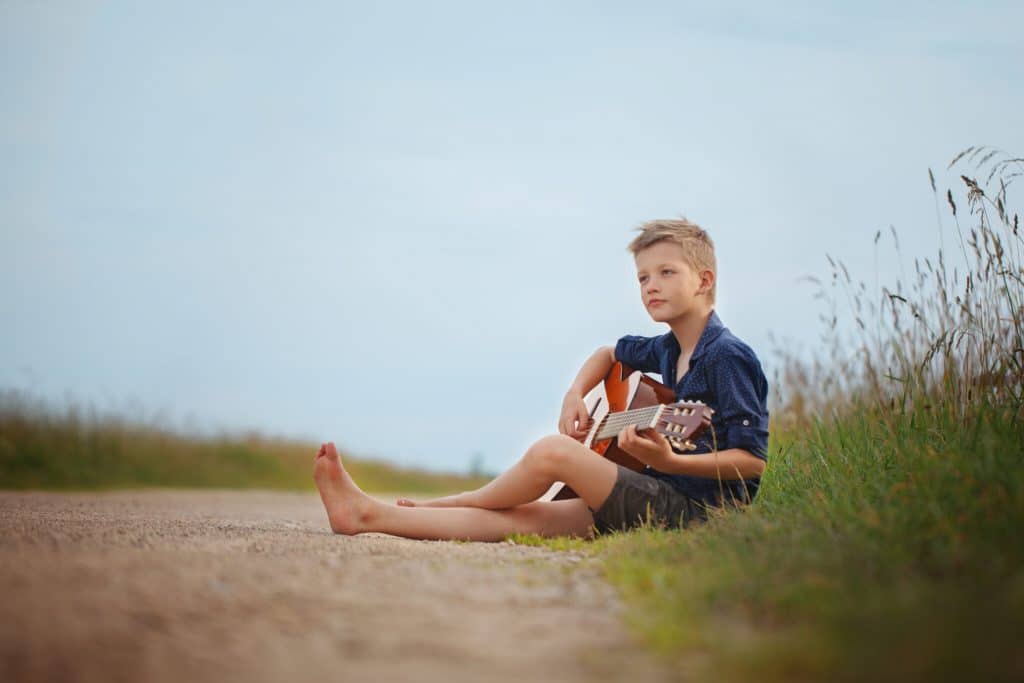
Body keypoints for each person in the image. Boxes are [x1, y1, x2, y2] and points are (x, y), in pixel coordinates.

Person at [313, 218, 769, 540]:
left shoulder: (727, 356)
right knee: (524, 519)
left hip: (698, 513)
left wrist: (672, 463)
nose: (650, 285)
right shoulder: (667, 347)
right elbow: (608, 353)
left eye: (667, 273)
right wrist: (575, 393)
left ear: (704, 280)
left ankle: (456, 500)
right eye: (643, 277)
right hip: (658, 495)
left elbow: (751, 462)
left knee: (553, 451)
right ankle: (366, 514)